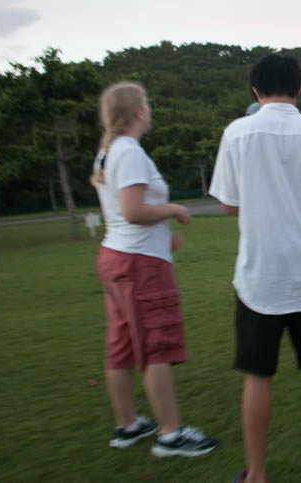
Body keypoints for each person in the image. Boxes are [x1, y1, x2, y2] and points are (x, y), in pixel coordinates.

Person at [209, 55, 301, 483]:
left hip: (259, 275)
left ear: (255, 90)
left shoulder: (237, 133)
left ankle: (256, 474)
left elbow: (229, 203)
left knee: (258, 375)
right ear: (300, 88)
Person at [90, 81, 218, 457]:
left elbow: (119, 213)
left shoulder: (107, 150)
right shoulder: (128, 151)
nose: (150, 110)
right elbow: (133, 210)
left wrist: (163, 235)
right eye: (146, 104)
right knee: (156, 346)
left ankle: (127, 426)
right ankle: (170, 435)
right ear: (138, 111)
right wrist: (174, 211)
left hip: (118, 256)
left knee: (123, 345)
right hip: (139, 264)